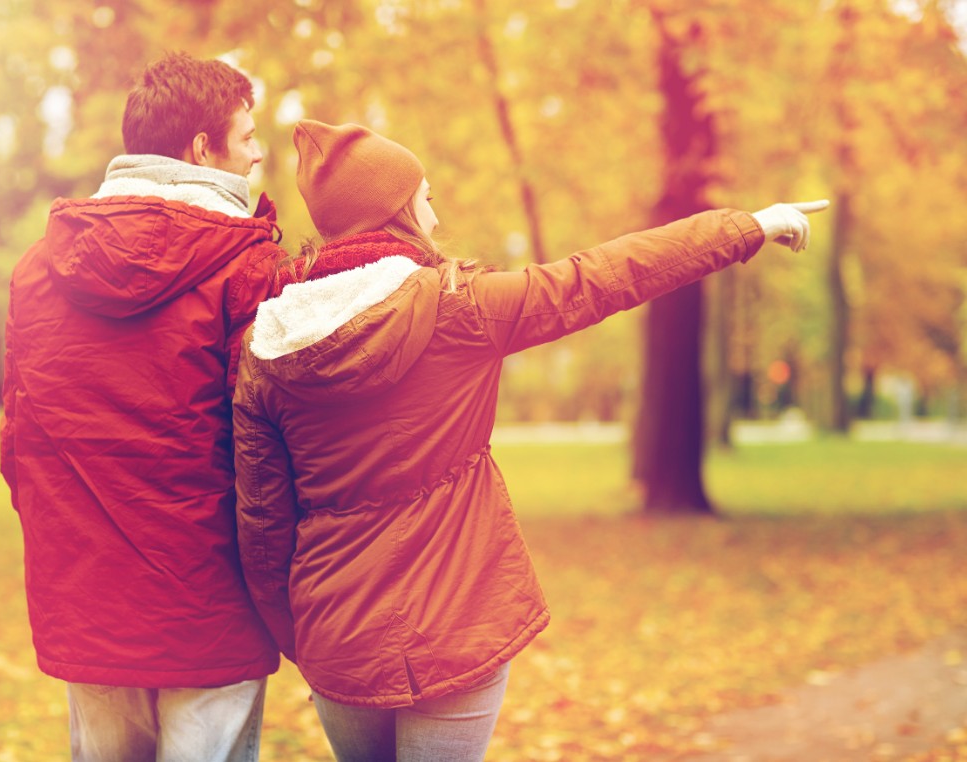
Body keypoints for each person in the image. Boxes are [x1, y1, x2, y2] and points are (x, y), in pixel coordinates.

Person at [232, 119, 827, 761]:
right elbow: (603, 275)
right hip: (455, 625)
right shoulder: (459, 310)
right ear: (398, 213)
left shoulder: (266, 351)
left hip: (339, 638)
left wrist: (306, 637)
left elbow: (263, 528)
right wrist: (748, 226)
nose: (434, 218)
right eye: (425, 199)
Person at [0, 52, 286, 762]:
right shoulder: (245, 266)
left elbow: (20, 445)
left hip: (88, 593)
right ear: (202, 149)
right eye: (247, 135)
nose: (258, 153)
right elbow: (272, 443)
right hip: (213, 599)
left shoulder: (38, 268)